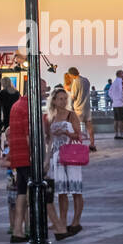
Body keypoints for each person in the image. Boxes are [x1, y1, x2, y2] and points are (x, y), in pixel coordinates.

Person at [45, 87, 85, 234]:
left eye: (64, 98)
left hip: (71, 153)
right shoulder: (52, 117)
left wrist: (66, 132)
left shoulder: (71, 115)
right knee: (61, 191)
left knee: (76, 189)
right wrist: (47, 159)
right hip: (57, 155)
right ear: (54, 101)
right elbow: (49, 141)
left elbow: (78, 135)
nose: (63, 101)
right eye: (60, 99)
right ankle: (62, 221)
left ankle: (76, 221)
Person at [66, 67, 96, 150]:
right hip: (87, 107)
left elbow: (73, 96)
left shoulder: (76, 82)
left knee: (75, 128)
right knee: (89, 127)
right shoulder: (86, 80)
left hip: (78, 108)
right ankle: (92, 144)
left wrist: (70, 107)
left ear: (71, 74)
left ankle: (77, 145)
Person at [109, 74, 123, 138]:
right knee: (121, 120)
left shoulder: (113, 83)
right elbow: (122, 91)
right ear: (120, 74)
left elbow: (109, 92)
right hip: (120, 104)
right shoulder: (120, 81)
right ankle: (121, 134)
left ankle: (116, 134)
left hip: (115, 104)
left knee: (116, 120)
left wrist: (113, 98)